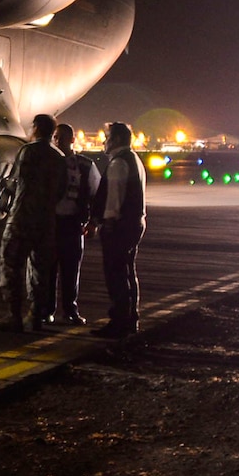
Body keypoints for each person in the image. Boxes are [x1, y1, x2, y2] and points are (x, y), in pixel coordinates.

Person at [0, 113, 65, 333]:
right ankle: (35, 316)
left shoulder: (28, 151)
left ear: (36, 128)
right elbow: (60, 191)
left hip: (22, 217)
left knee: (11, 265)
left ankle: (14, 315)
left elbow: (18, 181)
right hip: (46, 221)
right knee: (40, 270)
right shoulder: (59, 156)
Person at [90, 120, 148, 337]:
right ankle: (131, 318)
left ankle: (119, 320)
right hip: (135, 223)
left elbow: (113, 201)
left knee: (115, 274)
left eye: (107, 138)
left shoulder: (118, 164)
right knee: (128, 272)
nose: (104, 142)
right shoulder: (134, 160)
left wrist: (106, 224)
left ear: (116, 140)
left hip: (120, 227)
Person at [47, 122, 100, 327]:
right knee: (47, 271)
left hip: (72, 223)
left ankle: (70, 310)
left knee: (70, 270)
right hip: (51, 223)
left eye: (61, 137)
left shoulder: (85, 165)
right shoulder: (48, 163)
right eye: (55, 137)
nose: (57, 141)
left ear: (72, 140)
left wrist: (93, 222)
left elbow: (96, 194)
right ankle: (46, 310)